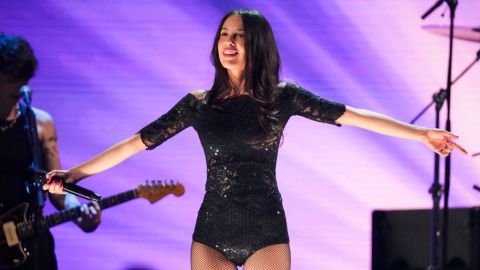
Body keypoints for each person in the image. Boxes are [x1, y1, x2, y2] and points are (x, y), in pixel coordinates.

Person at [42, 9, 467, 270]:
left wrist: (421, 134)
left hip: (266, 230)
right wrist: (75, 172)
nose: (228, 42)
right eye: (224, 35)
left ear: (257, 45)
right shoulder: (198, 103)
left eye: (238, 35)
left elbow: (354, 116)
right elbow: (134, 144)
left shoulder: (284, 98)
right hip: (211, 231)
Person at [0, 33, 102, 270]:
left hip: (33, 248)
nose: (20, 92)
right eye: (11, 86)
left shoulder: (39, 123)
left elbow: (56, 190)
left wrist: (80, 214)